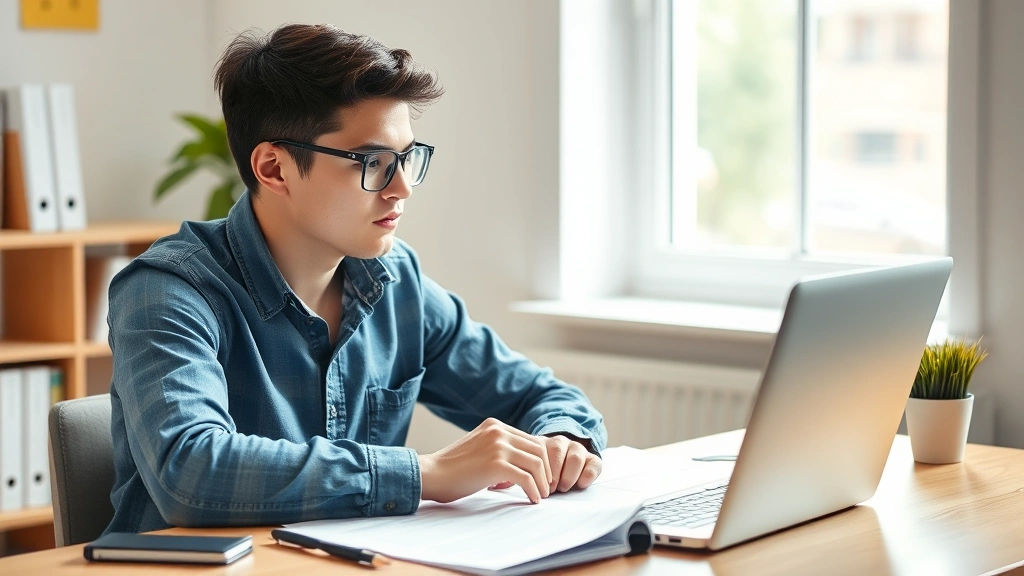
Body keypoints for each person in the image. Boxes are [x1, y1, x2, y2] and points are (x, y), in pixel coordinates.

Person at [104, 23, 607, 534]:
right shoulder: (167, 290)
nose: (402, 188)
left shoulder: (396, 281)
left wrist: (563, 442)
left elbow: (542, 398)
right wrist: (428, 473)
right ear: (274, 168)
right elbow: (190, 472)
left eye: (407, 158)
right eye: (372, 162)